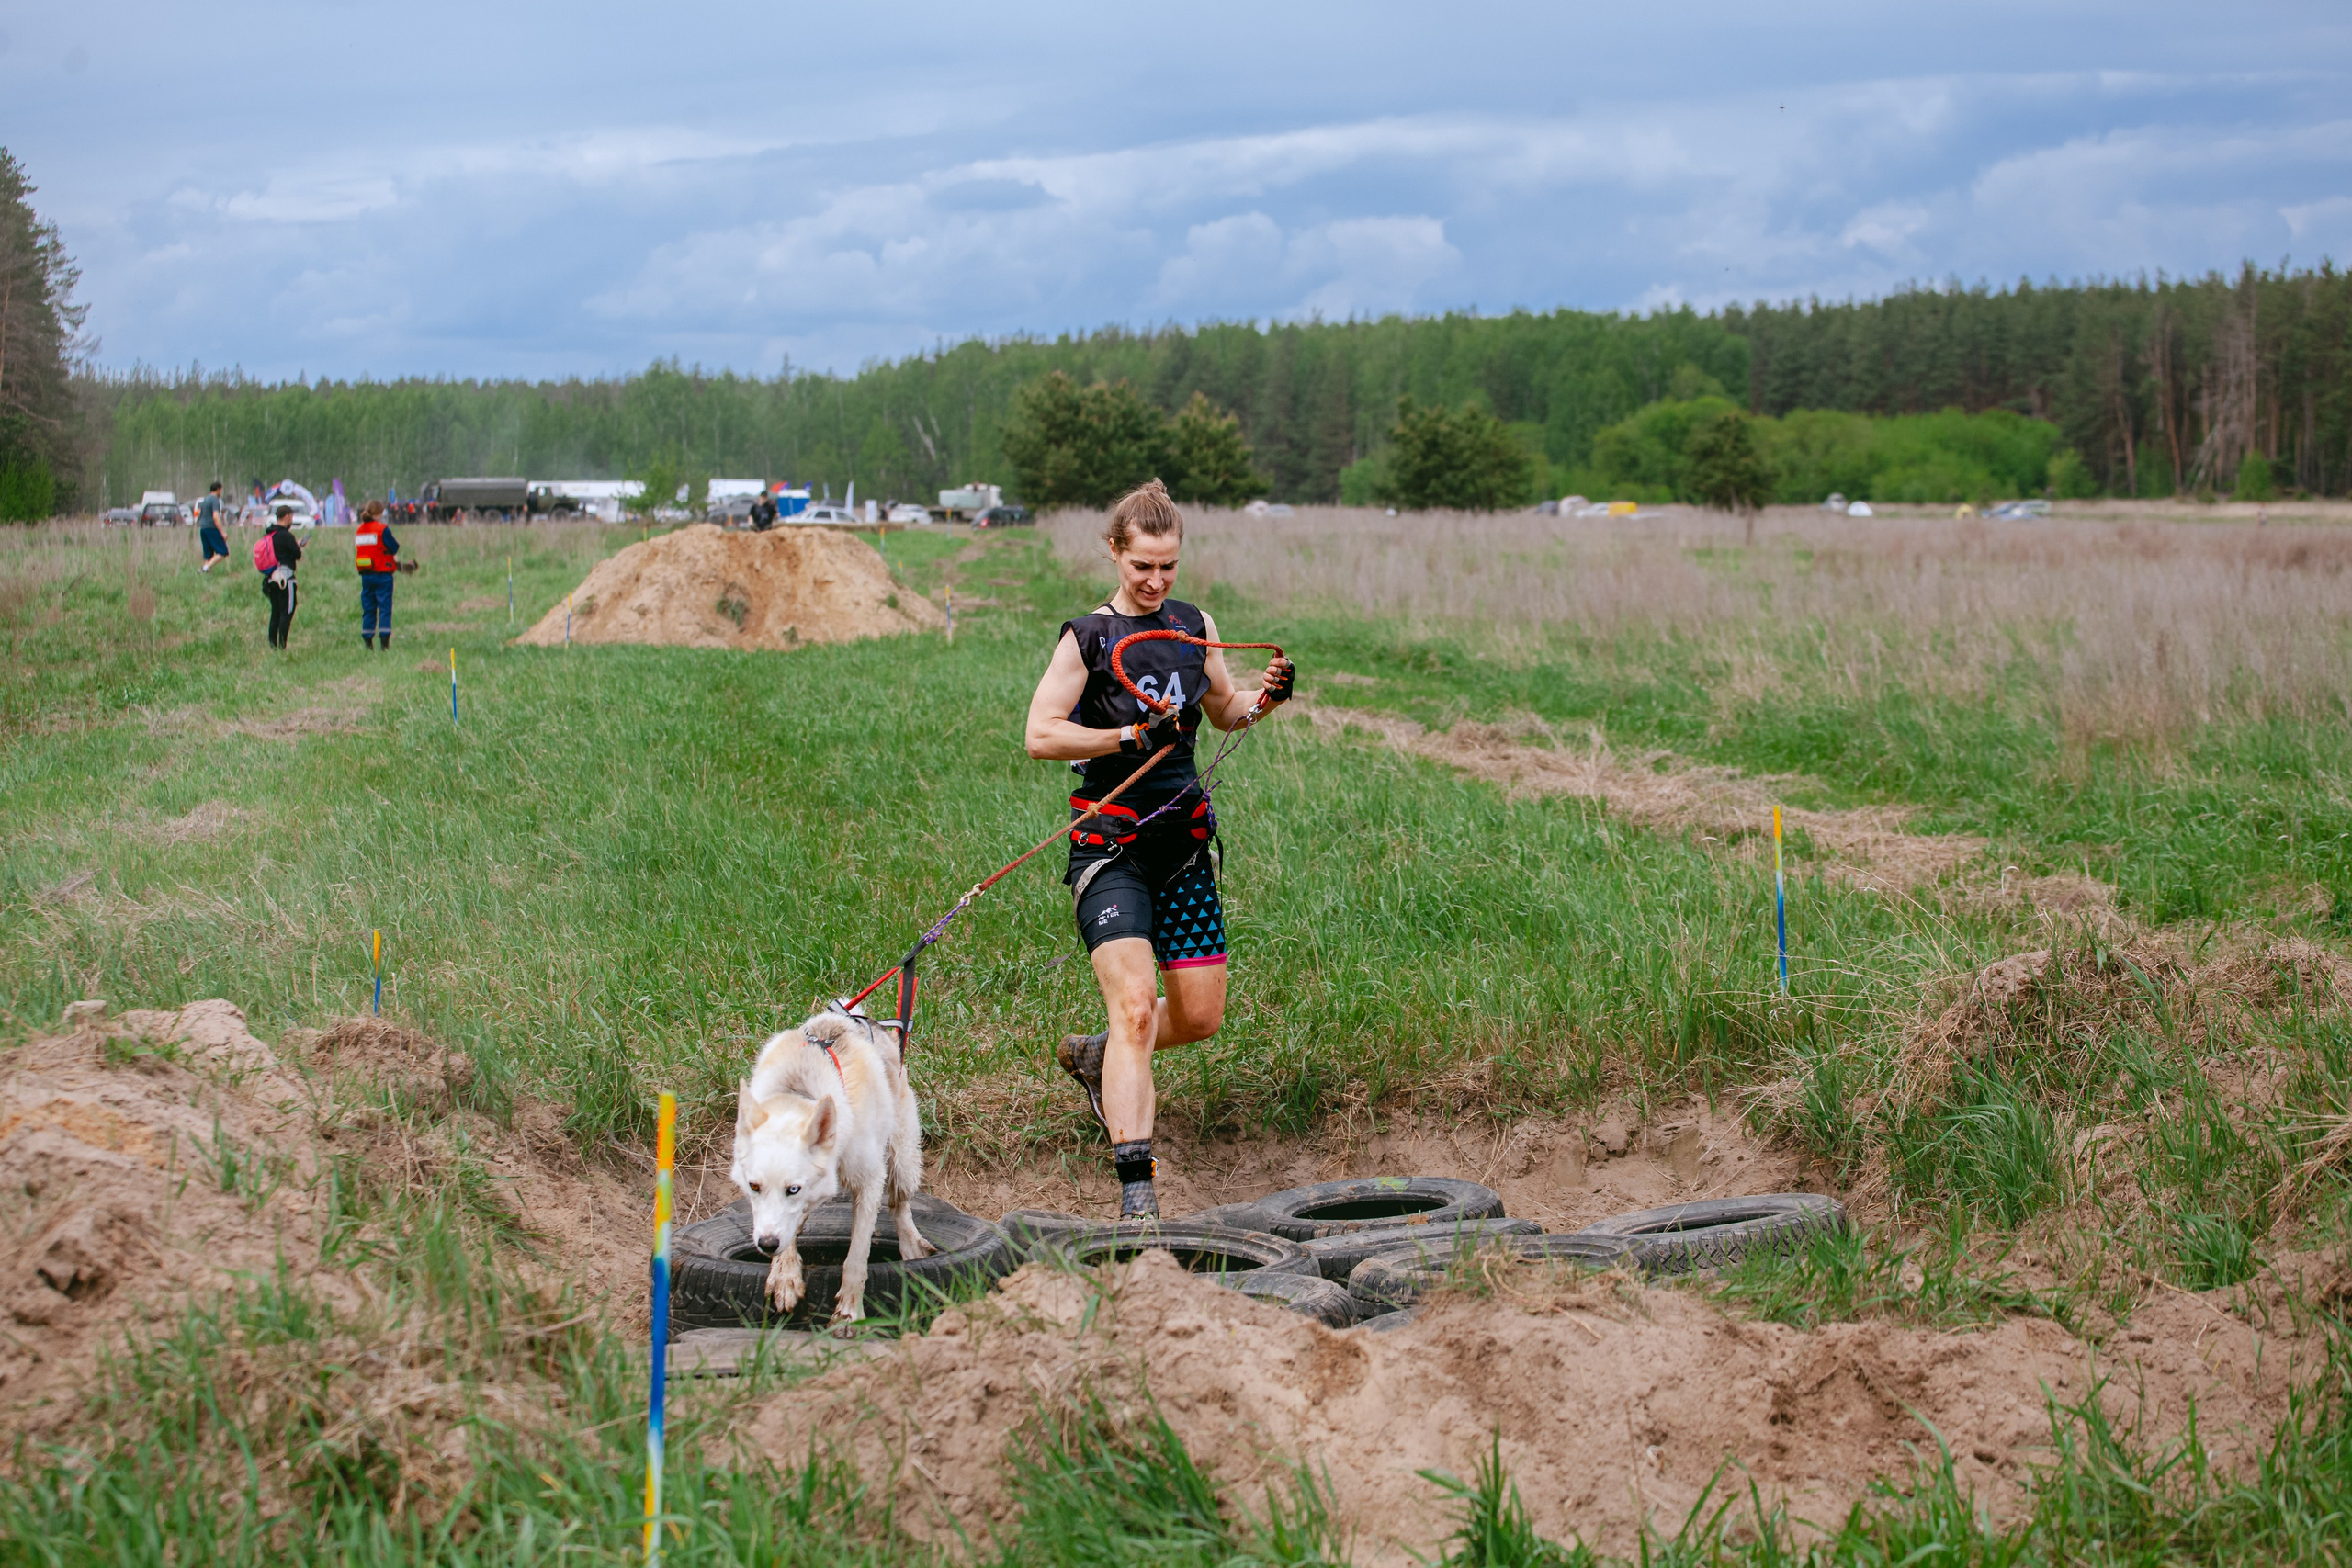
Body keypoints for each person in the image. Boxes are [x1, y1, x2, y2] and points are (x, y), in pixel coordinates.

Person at [1023, 479, 1295, 1218]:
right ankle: (1137, 1197)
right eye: (1143, 565)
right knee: (1137, 1009)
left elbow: (1227, 710)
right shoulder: (1087, 637)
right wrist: (1124, 737)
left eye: (1168, 565)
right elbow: (1040, 734)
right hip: (1110, 848)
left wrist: (1265, 697)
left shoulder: (1192, 623)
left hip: (1184, 846)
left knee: (1200, 1017)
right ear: (1114, 551)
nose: (1156, 580)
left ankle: (1094, 1055)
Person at [354, 498, 401, 649]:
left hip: (366, 575)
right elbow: (394, 547)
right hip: (383, 574)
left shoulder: (360, 530)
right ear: (380, 513)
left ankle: (368, 641)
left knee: (368, 608)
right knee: (385, 608)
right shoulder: (382, 529)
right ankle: (384, 643)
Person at [259, 503, 303, 649]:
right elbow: (297, 555)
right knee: (287, 612)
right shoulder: (286, 536)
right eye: (291, 517)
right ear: (287, 517)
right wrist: (298, 547)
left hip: (271, 578)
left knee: (276, 613)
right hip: (286, 579)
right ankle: (282, 645)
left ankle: (273, 645)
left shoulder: (269, 534)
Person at [195, 480, 230, 571]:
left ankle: (205, 574)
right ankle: (205, 568)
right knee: (223, 552)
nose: (221, 493)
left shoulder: (205, 500)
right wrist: (222, 532)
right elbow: (216, 517)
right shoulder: (215, 500)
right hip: (211, 528)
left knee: (208, 554)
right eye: (221, 490)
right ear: (218, 490)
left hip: (203, 529)